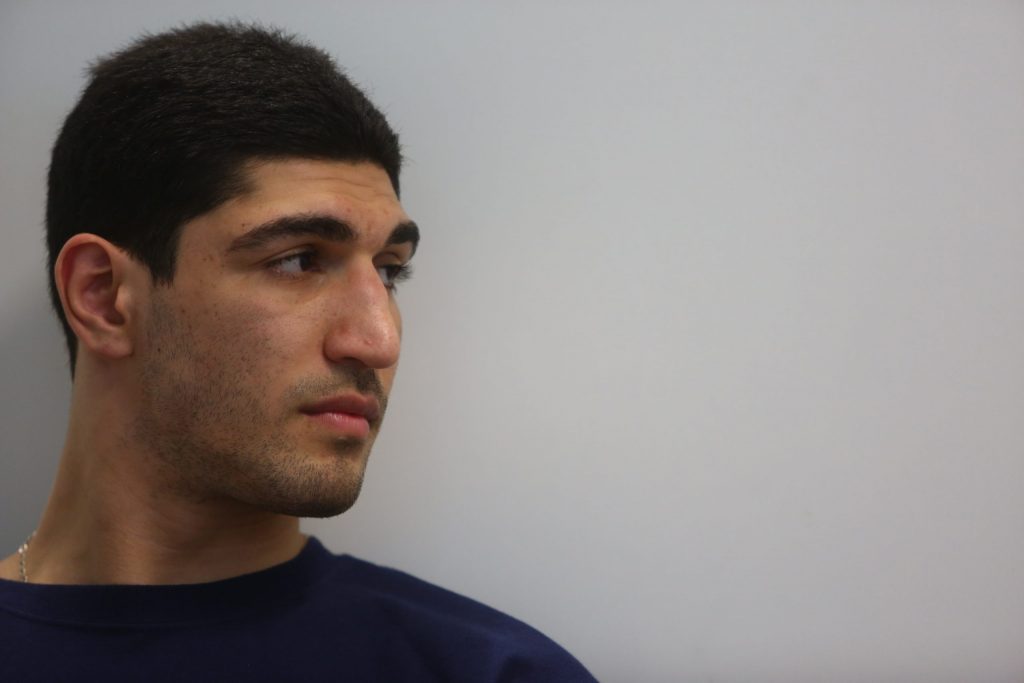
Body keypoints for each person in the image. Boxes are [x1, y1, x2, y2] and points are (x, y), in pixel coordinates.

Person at [0, 22, 595, 682]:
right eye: (298, 260)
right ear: (104, 297)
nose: (379, 340)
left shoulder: (494, 671)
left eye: (390, 270)